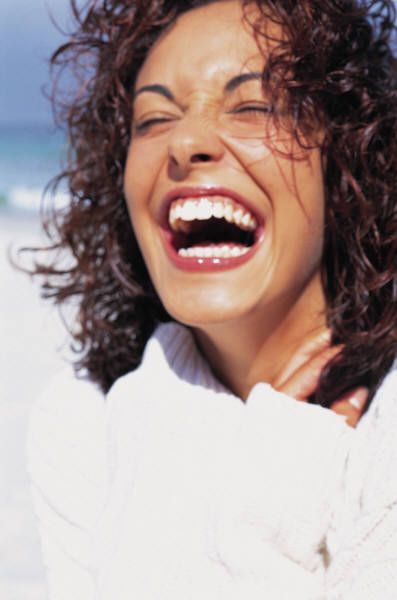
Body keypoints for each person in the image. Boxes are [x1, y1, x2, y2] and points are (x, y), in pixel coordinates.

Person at [27, 0, 397, 598]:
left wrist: (256, 525)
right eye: (152, 120)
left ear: (348, 158)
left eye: (253, 106)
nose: (186, 141)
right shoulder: (84, 426)